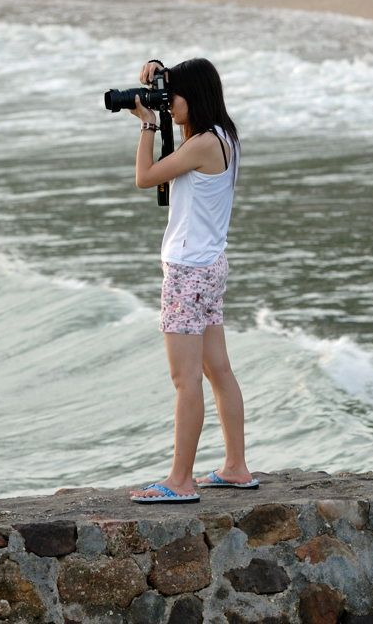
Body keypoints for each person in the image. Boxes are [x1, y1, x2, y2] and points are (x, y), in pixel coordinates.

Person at [125, 58, 258, 504]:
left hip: (186, 273)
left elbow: (145, 178)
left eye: (173, 97)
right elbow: (181, 145)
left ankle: (180, 482)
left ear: (194, 97)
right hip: (210, 265)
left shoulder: (200, 144)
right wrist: (160, 73)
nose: (169, 106)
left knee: (186, 380)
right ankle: (236, 468)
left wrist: (146, 126)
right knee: (218, 370)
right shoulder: (222, 136)